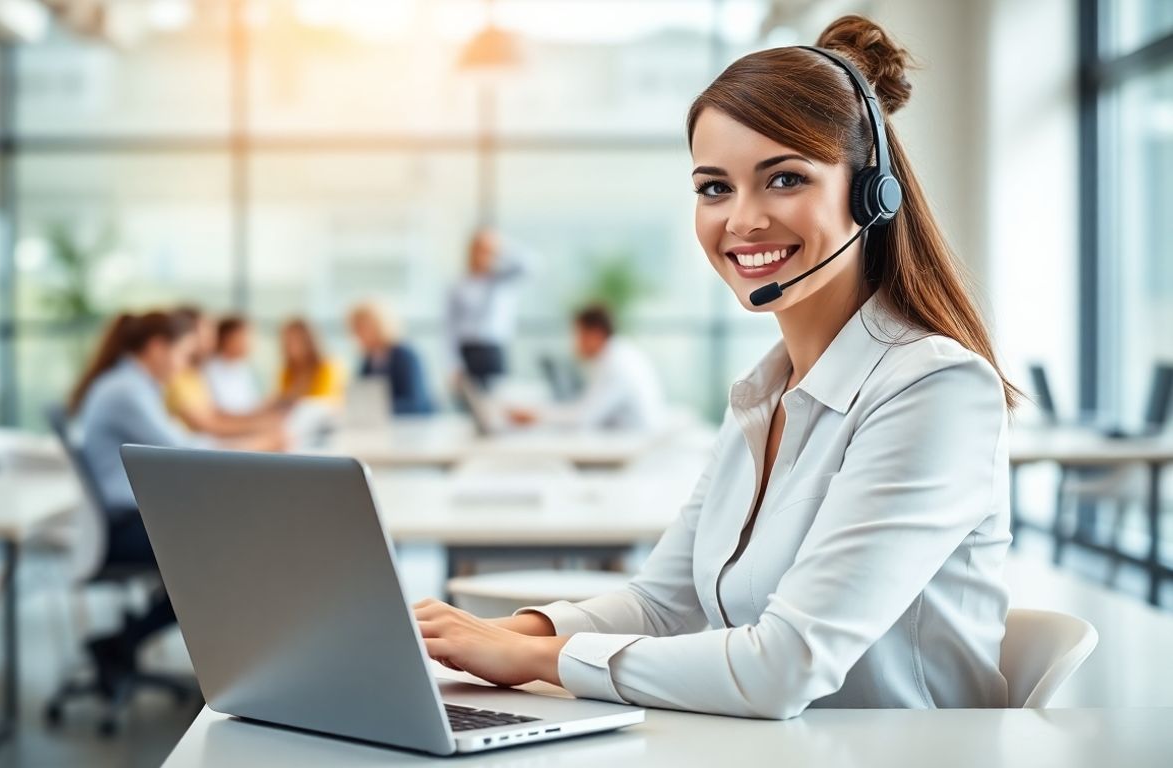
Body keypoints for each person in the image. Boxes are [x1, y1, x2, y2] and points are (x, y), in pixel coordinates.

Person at [414, 16, 1020, 719]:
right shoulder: (765, 396)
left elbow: (784, 666)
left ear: (871, 193)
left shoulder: (935, 391)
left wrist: (537, 661)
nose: (743, 220)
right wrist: (493, 636)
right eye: (714, 188)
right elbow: (661, 603)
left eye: (784, 178)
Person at [67, 311, 284, 692]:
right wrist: (258, 445)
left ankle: (122, 643)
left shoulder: (134, 386)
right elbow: (182, 452)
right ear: (156, 348)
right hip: (122, 527)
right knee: (225, 555)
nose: (186, 365)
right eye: (183, 354)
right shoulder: (126, 391)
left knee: (225, 550)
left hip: (133, 517)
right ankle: (232, 677)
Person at [507, 304, 665, 431]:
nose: (575, 343)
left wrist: (536, 416)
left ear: (596, 334)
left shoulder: (617, 366)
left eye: (579, 335)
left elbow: (583, 417)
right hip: (625, 436)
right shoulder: (616, 355)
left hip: (630, 441)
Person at [166, 306, 283, 437]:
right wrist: (257, 425)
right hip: (200, 446)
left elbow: (214, 414)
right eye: (207, 333)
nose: (213, 340)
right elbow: (207, 424)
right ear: (189, 337)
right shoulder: (180, 376)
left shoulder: (194, 375)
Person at [446, 228, 527, 389]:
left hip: (493, 350)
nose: (483, 254)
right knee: (469, 399)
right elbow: (449, 327)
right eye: (479, 249)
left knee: (495, 399)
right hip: (466, 350)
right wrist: (451, 364)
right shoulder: (459, 284)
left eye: (488, 250)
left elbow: (529, 265)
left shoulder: (502, 280)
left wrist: (503, 247)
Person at [349, 301, 434, 415]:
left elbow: (416, 403)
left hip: (415, 424)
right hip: (385, 425)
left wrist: (375, 410)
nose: (358, 335)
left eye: (361, 328)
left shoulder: (406, 356)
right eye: (355, 329)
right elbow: (362, 395)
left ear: (379, 325)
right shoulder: (369, 360)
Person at [272, 316, 345, 405]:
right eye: (287, 341)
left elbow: (322, 402)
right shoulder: (287, 372)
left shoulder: (327, 367)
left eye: (295, 340)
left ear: (308, 340)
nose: (290, 346)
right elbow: (281, 401)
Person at [203, 315, 264, 414]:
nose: (251, 343)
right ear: (228, 338)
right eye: (245, 336)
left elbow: (252, 404)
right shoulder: (209, 369)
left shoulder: (244, 368)